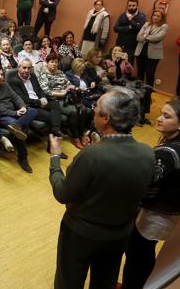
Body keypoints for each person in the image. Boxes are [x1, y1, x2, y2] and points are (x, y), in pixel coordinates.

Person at [48, 87, 154, 289]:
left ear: (106, 118)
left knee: (69, 281)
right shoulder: (148, 152)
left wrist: (55, 158)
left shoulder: (91, 156)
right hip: (120, 234)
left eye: (96, 108)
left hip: (81, 234)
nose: (93, 111)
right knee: (105, 281)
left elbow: (62, 193)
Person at [121, 100, 180, 288]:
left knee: (137, 257)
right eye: (161, 113)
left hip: (155, 215)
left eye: (167, 116)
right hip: (171, 213)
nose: (159, 119)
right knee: (144, 253)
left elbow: (145, 185)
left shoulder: (168, 153)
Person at [0, 67, 37, 173]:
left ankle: (17, 125)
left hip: (15, 112)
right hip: (1, 117)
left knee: (33, 111)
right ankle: (23, 158)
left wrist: (22, 107)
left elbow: (15, 97)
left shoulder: (5, 84)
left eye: (2, 74)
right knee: (18, 129)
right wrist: (15, 113)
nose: (1, 77)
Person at [39, 53, 90, 149]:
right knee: (74, 112)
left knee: (83, 109)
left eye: (56, 62)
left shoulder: (60, 73)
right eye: (51, 62)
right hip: (55, 100)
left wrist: (77, 88)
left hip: (67, 97)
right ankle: (75, 137)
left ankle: (81, 134)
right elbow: (46, 91)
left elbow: (68, 84)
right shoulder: (43, 74)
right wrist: (61, 93)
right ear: (47, 63)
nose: (54, 64)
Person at [9, 58, 65, 138]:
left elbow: (39, 89)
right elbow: (21, 98)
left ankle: (56, 129)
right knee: (52, 116)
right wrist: (38, 102)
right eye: (24, 67)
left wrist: (43, 97)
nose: (27, 70)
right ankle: (54, 133)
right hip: (30, 106)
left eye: (29, 68)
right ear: (19, 67)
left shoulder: (32, 76)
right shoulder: (13, 81)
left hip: (39, 101)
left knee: (55, 104)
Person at [134, 10, 168, 89]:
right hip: (141, 51)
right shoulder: (147, 24)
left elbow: (158, 38)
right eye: (154, 15)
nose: (155, 17)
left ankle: (148, 93)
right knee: (140, 73)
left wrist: (144, 37)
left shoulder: (164, 26)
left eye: (158, 16)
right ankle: (139, 91)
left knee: (150, 73)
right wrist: (145, 37)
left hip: (153, 54)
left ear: (162, 18)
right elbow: (138, 37)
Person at [114, 0, 147, 64]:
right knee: (117, 63)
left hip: (132, 46)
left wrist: (131, 21)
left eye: (133, 5)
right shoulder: (123, 15)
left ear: (137, 6)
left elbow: (140, 29)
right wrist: (128, 27)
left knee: (128, 64)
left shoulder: (141, 16)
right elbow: (115, 28)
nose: (131, 7)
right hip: (120, 43)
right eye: (129, 5)